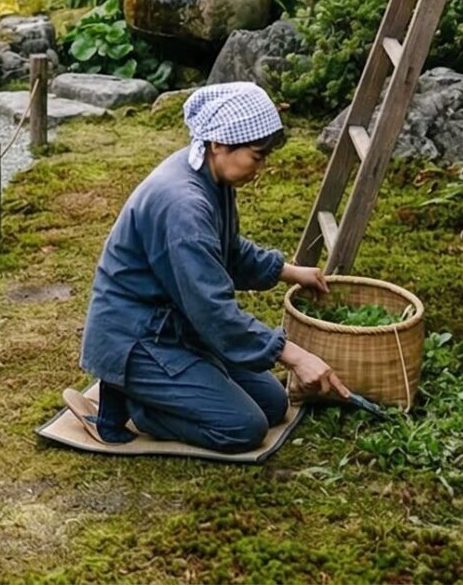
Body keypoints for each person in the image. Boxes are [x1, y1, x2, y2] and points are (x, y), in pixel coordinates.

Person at [69, 84, 349, 453]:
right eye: (258, 156)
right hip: (136, 339)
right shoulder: (182, 205)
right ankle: (134, 403)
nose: (261, 168)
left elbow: (227, 251)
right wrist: (294, 355)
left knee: (272, 404)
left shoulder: (208, 174)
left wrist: (287, 271)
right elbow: (214, 312)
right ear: (220, 144)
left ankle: (166, 389)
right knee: (243, 427)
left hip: (175, 328)